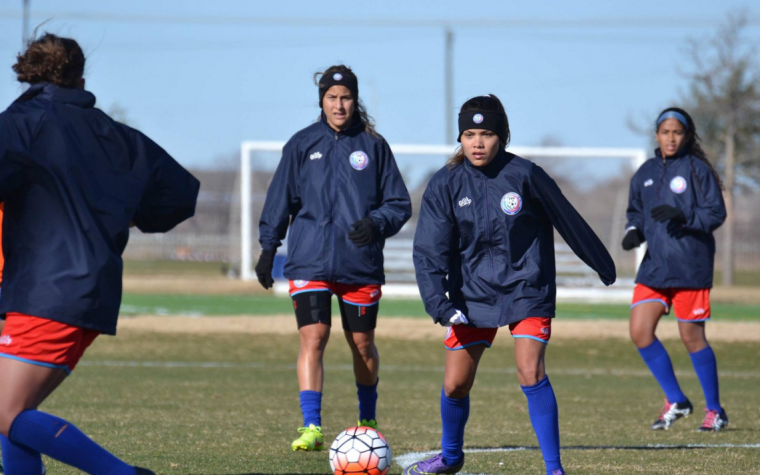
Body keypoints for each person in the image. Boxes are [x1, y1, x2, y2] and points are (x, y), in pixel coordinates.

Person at [0, 33, 199, 475]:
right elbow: (179, 195)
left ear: (26, 76)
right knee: (15, 413)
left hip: (46, 288)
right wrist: (118, 213)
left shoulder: (21, 124)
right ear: (82, 79)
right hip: (92, 288)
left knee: (6, 412)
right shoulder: (114, 133)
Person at [407, 94, 616, 475]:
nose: (477, 142)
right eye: (469, 134)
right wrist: (439, 303)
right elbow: (428, 251)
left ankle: (554, 470)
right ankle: (451, 458)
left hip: (526, 288)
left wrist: (600, 262)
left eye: (486, 133)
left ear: (502, 135)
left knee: (530, 371)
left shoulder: (526, 175)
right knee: (455, 385)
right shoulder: (446, 184)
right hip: (471, 296)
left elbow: (568, 219)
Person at [256, 65, 412, 451]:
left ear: (355, 100)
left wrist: (376, 224)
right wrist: (267, 248)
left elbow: (399, 203)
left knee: (361, 344)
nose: (339, 105)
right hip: (309, 260)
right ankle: (311, 427)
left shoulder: (375, 146)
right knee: (315, 337)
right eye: (332, 98)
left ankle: (368, 419)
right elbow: (280, 200)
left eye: (345, 98)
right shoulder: (301, 143)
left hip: (359, 264)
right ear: (321, 100)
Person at [623, 107, 728, 432]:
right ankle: (677, 400)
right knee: (640, 332)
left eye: (677, 132)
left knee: (691, 337)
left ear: (687, 135)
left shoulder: (698, 170)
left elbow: (716, 213)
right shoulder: (645, 172)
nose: (671, 137)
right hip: (655, 267)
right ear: (656, 135)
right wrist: (633, 230)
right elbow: (636, 211)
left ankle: (715, 411)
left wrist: (684, 216)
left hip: (690, 266)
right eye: (665, 131)